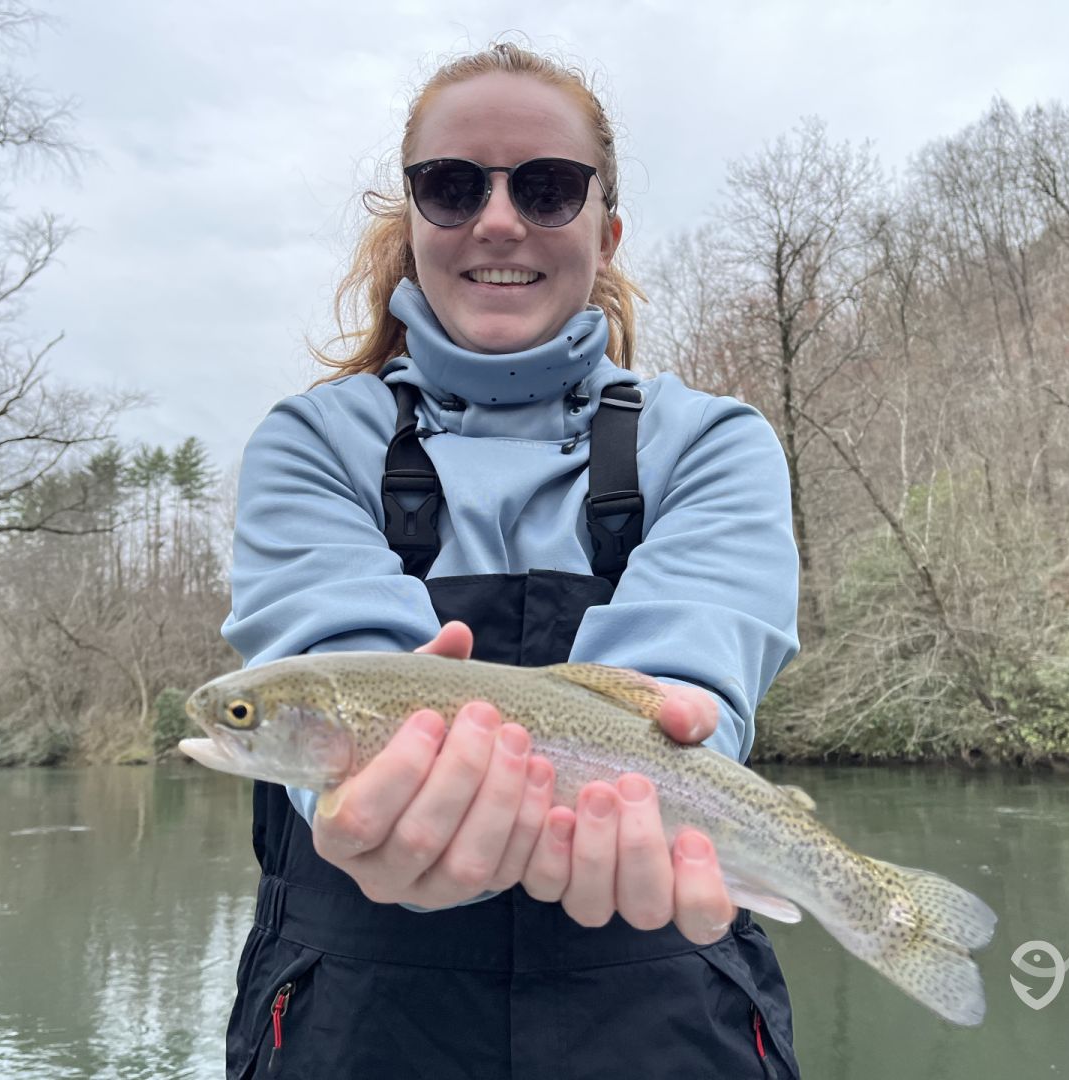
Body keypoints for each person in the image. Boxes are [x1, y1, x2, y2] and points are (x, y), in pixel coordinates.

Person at [221, 41, 802, 1080]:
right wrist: (376, 810)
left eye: (545, 187)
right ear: (413, 222)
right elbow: (337, 673)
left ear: (604, 230)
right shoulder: (308, 445)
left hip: (667, 1018)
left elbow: (680, 703)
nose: (498, 220)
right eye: (451, 187)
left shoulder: (713, 442)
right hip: (351, 1031)